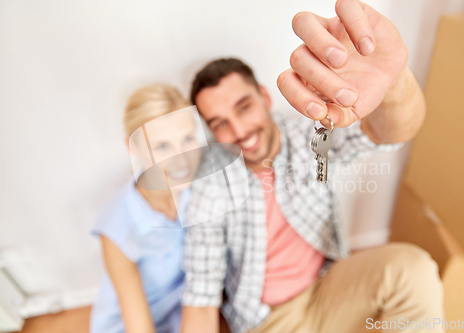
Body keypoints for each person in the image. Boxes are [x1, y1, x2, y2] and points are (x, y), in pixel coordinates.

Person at [180, 1, 443, 333]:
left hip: (329, 286)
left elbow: (389, 135)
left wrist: (391, 79)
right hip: (270, 319)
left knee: (413, 269)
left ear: (264, 96)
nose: (239, 132)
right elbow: (200, 296)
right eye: (220, 123)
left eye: (244, 107)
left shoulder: (307, 130)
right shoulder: (210, 183)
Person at [90, 84, 201, 333]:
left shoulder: (196, 188)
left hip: (182, 312)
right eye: (162, 147)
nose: (181, 158)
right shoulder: (116, 229)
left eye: (188, 139)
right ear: (134, 147)